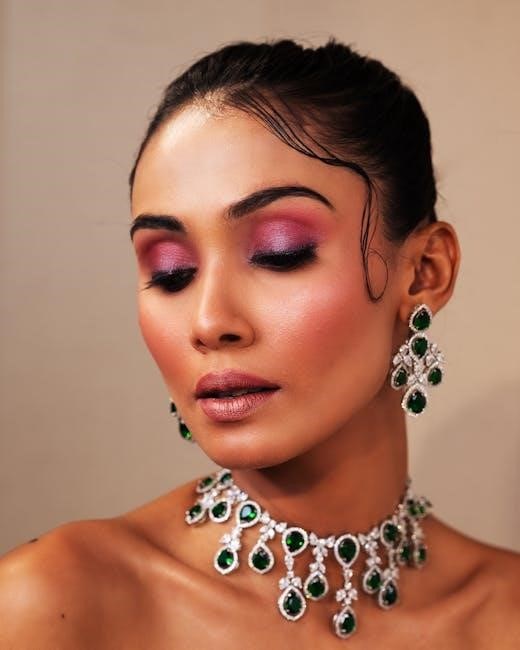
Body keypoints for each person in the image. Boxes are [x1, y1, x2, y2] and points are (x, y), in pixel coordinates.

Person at [1, 37, 519, 649]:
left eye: (280, 252)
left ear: (425, 272)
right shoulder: (56, 604)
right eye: (170, 271)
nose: (208, 320)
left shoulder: (504, 616)